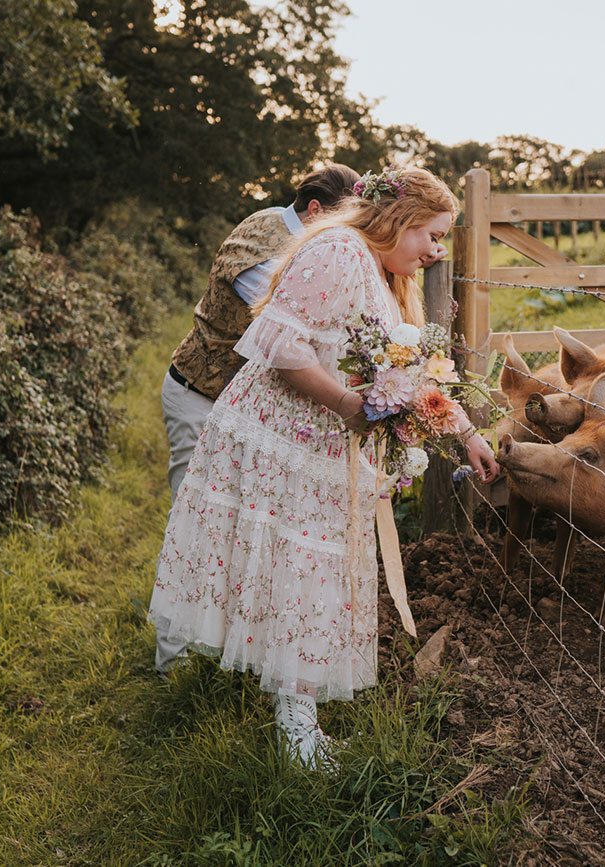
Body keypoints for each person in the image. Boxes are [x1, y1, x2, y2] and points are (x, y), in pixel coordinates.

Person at [148, 167, 499, 768]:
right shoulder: (339, 249)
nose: (435, 252)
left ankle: (298, 724)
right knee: (304, 575)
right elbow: (279, 345)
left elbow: (408, 373)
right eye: (432, 235)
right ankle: (294, 735)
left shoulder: (381, 273)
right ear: (400, 219)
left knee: (310, 577)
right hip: (280, 443)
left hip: (320, 449)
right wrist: (348, 404)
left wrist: (465, 432)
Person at [163, 163, 362, 498]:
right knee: (190, 503)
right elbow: (299, 320)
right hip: (198, 394)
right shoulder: (257, 250)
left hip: (237, 404)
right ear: (315, 210)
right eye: (343, 222)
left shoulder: (286, 224)